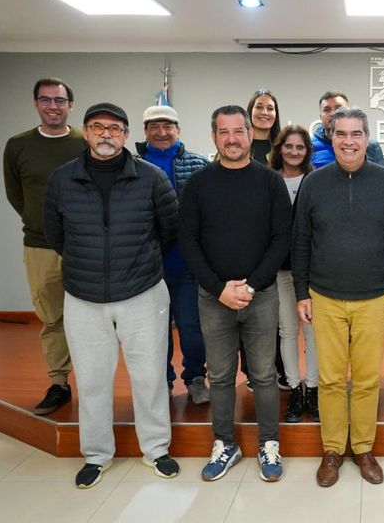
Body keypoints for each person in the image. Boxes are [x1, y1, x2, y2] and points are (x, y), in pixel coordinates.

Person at [43, 102, 180, 488]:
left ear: (125, 134)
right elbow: (55, 233)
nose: (106, 134)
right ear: (85, 132)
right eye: (98, 127)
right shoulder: (62, 179)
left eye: (115, 128)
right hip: (84, 297)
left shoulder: (151, 178)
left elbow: (168, 230)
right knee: (92, 380)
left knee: (149, 377)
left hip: (142, 292)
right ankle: (97, 455)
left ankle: (156, 449)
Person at [292, 107, 384, 487]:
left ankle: (362, 448)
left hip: (375, 298)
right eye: (340, 134)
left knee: (364, 379)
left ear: (367, 137)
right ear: (331, 137)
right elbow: (301, 242)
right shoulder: (313, 183)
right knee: (328, 380)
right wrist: (300, 292)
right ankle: (331, 449)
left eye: (356, 134)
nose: (348, 141)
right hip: (324, 295)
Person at [179, 105, 292, 483]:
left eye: (238, 131)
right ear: (214, 137)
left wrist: (251, 285)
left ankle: (269, 443)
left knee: (263, 374)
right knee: (222, 376)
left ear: (250, 134)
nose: (231, 138)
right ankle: (225, 443)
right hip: (214, 299)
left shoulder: (270, 182)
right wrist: (218, 288)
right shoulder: (197, 184)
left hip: (260, 295)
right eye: (223, 132)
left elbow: (281, 238)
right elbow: (189, 241)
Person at [3, 77, 87, 415]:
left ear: (71, 105)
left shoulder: (85, 143)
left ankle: (96, 384)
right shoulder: (18, 145)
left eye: (60, 100)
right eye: (46, 100)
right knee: (52, 318)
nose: (53, 106)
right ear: (36, 104)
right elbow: (16, 195)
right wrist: (41, 223)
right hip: (40, 245)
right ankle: (59, 383)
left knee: (92, 319)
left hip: (85, 246)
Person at [136, 105, 210, 404]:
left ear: (178, 129)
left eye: (168, 126)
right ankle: (162, 381)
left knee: (192, 328)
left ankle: (195, 377)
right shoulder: (133, 164)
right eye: (154, 126)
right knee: (155, 332)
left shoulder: (199, 164)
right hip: (147, 266)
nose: (161, 132)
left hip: (187, 265)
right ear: (145, 132)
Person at [268, 125, 320, 422]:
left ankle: (312, 389)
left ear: (307, 151)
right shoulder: (267, 179)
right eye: (289, 146)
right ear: (280, 148)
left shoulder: (316, 180)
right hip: (281, 270)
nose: (294, 152)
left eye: (300, 147)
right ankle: (295, 388)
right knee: (287, 331)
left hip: (313, 272)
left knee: (313, 334)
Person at [310, 91, 384, 169]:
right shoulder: (308, 146)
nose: (332, 113)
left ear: (348, 112)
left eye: (338, 108)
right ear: (320, 116)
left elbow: (382, 178)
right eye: (327, 110)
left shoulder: (371, 146)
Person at [246, 88, 281, 164]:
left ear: (276, 115)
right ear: (250, 112)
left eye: (270, 108)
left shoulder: (283, 148)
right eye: (259, 107)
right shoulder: (237, 146)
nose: (265, 112)